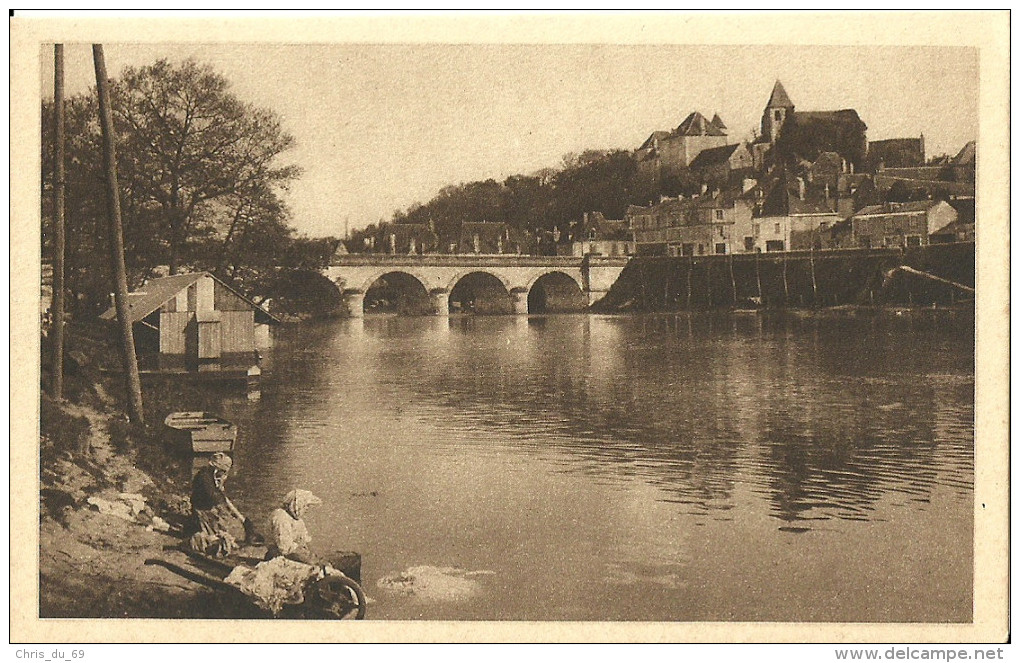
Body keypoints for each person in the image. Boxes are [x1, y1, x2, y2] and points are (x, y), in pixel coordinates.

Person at [189, 452, 251, 557]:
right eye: (224, 471)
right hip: (201, 511)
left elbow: (221, 498)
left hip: (209, 508)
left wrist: (240, 517)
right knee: (216, 534)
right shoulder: (204, 477)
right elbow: (216, 498)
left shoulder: (211, 476)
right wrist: (220, 486)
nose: (224, 474)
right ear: (218, 469)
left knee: (227, 525)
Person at [265, 489, 322, 564]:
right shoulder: (280, 516)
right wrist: (306, 556)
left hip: (294, 553)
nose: (307, 508)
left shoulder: (298, 520)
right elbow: (284, 547)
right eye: (306, 505)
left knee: (318, 562)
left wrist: (313, 553)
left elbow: (305, 539)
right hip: (277, 556)